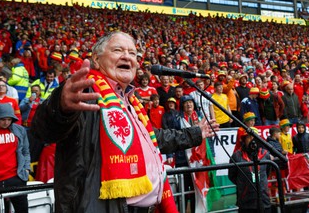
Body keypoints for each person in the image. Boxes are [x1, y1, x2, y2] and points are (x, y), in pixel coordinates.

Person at [31, 31, 219, 213]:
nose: (127, 57)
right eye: (118, 50)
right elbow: (42, 129)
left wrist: (196, 133)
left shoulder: (130, 101)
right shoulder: (86, 92)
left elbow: (155, 138)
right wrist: (61, 105)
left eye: (132, 53)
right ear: (96, 59)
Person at [0, 103, 31, 213]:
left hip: (16, 177)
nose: (6, 122)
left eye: (9, 119)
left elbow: (25, 151)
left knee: (22, 210)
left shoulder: (20, 130)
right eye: (3, 119)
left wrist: (26, 169)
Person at [228, 126, 271, 213]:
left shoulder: (266, 155)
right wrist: (244, 186)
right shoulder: (236, 156)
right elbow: (232, 176)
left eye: (255, 137)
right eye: (249, 137)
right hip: (246, 203)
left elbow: (267, 173)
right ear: (244, 140)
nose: (252, 140)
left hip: (264, 201)